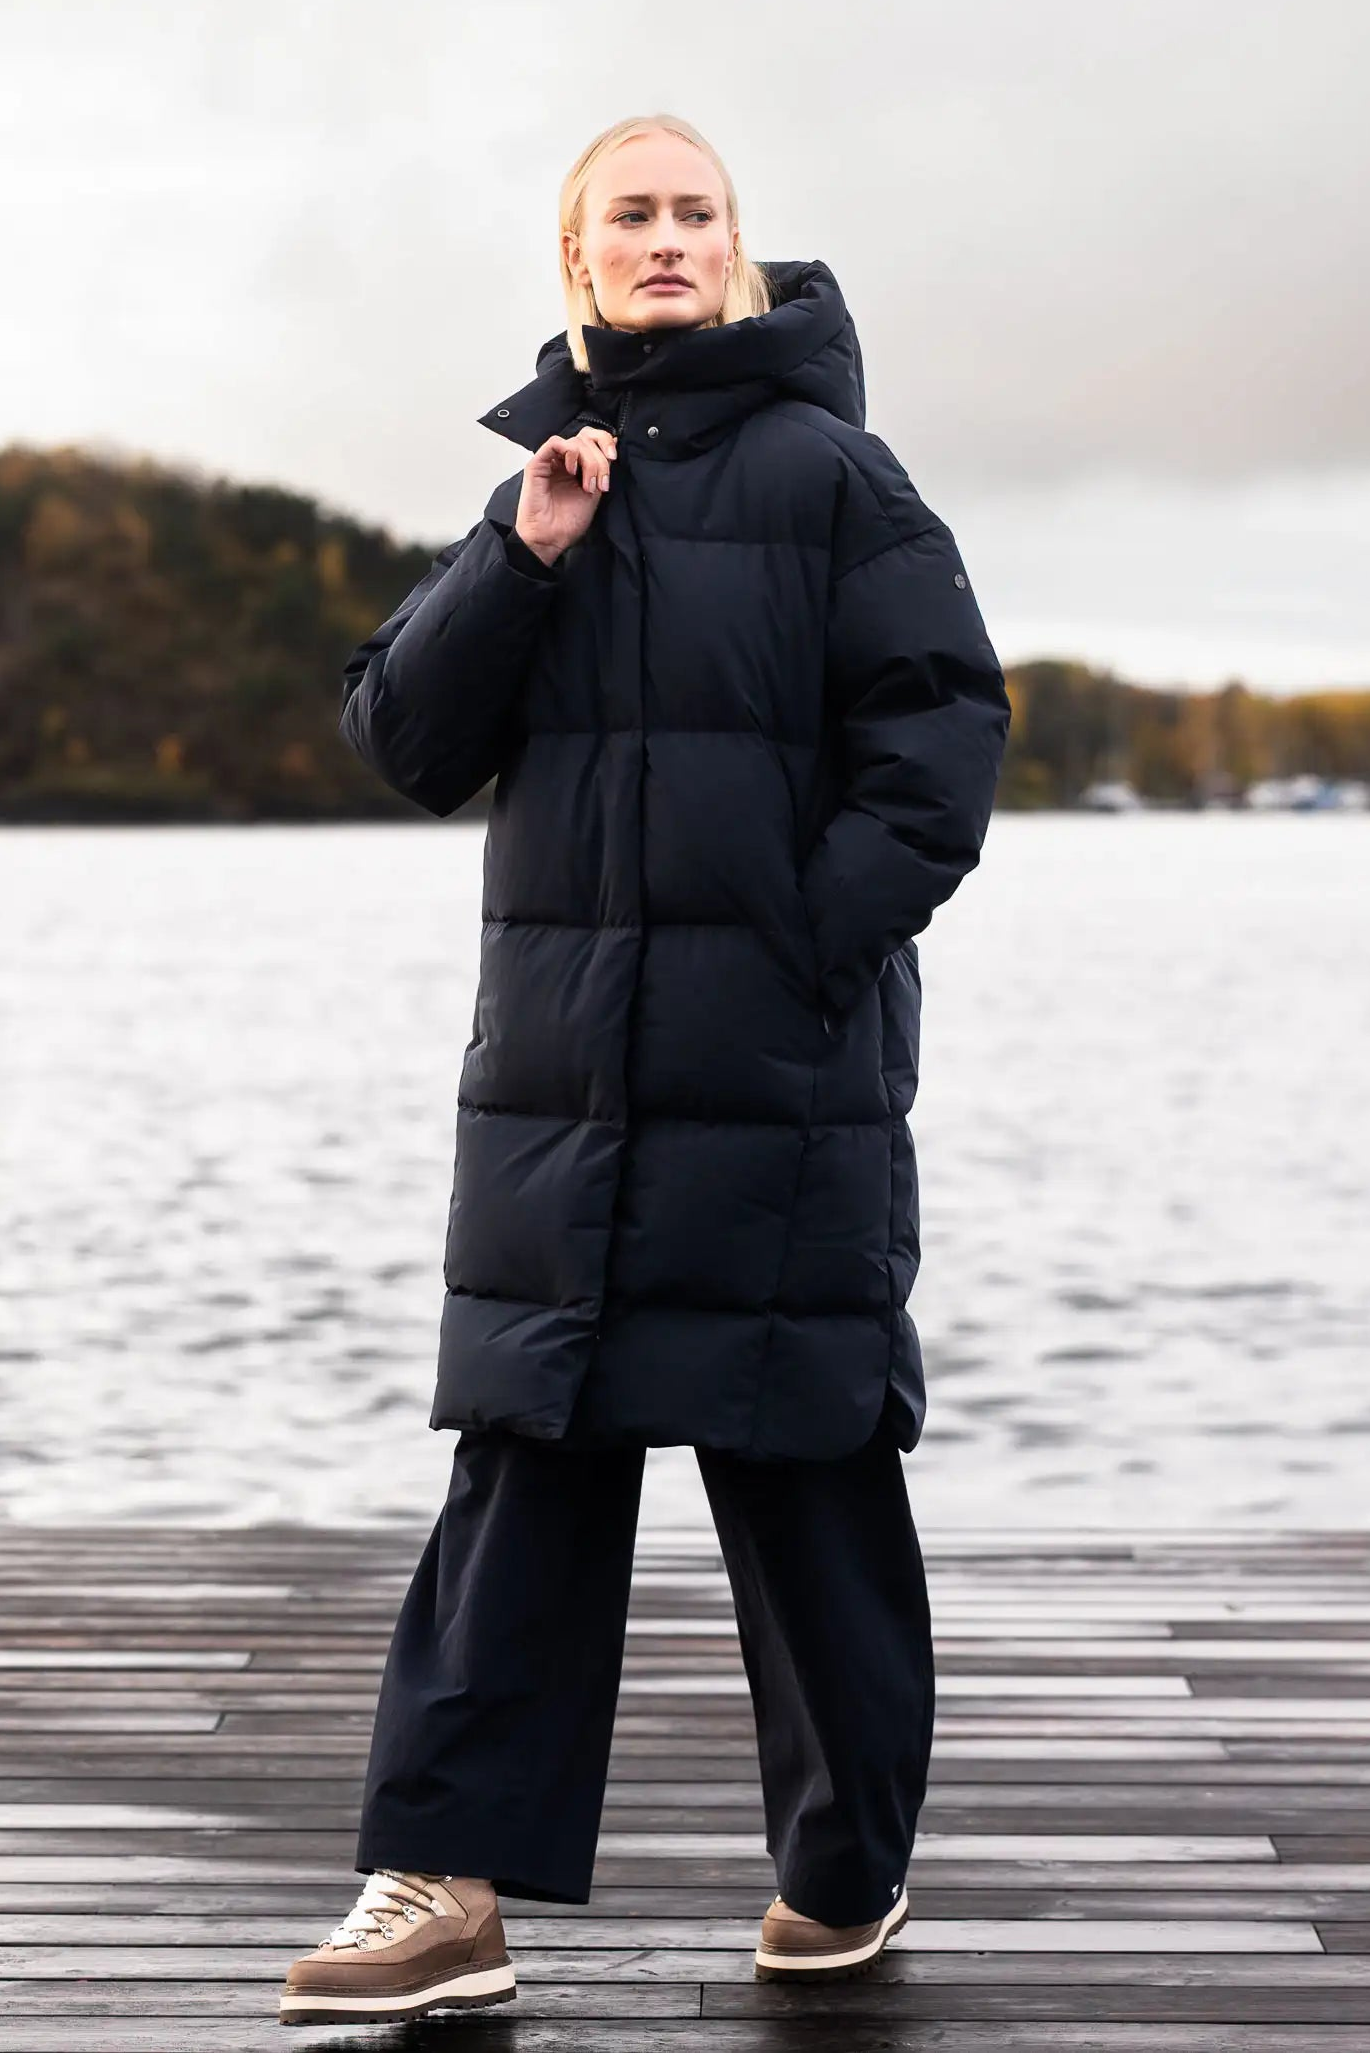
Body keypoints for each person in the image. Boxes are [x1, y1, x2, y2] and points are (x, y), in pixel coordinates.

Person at [278, 111, 1009, 2027]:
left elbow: (940, 743)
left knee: (806, 1464)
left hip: (779, 1077)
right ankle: (440, 1888)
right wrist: (522, 556)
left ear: (737, 252)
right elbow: (404, 739)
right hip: (563, 1097)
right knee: (523, 1465)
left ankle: (843, 1864)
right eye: (632, 214)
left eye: (698, 212)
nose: (667, 237)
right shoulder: (545, 487)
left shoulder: (835, 476)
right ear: (578, 260)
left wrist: (796, 951)